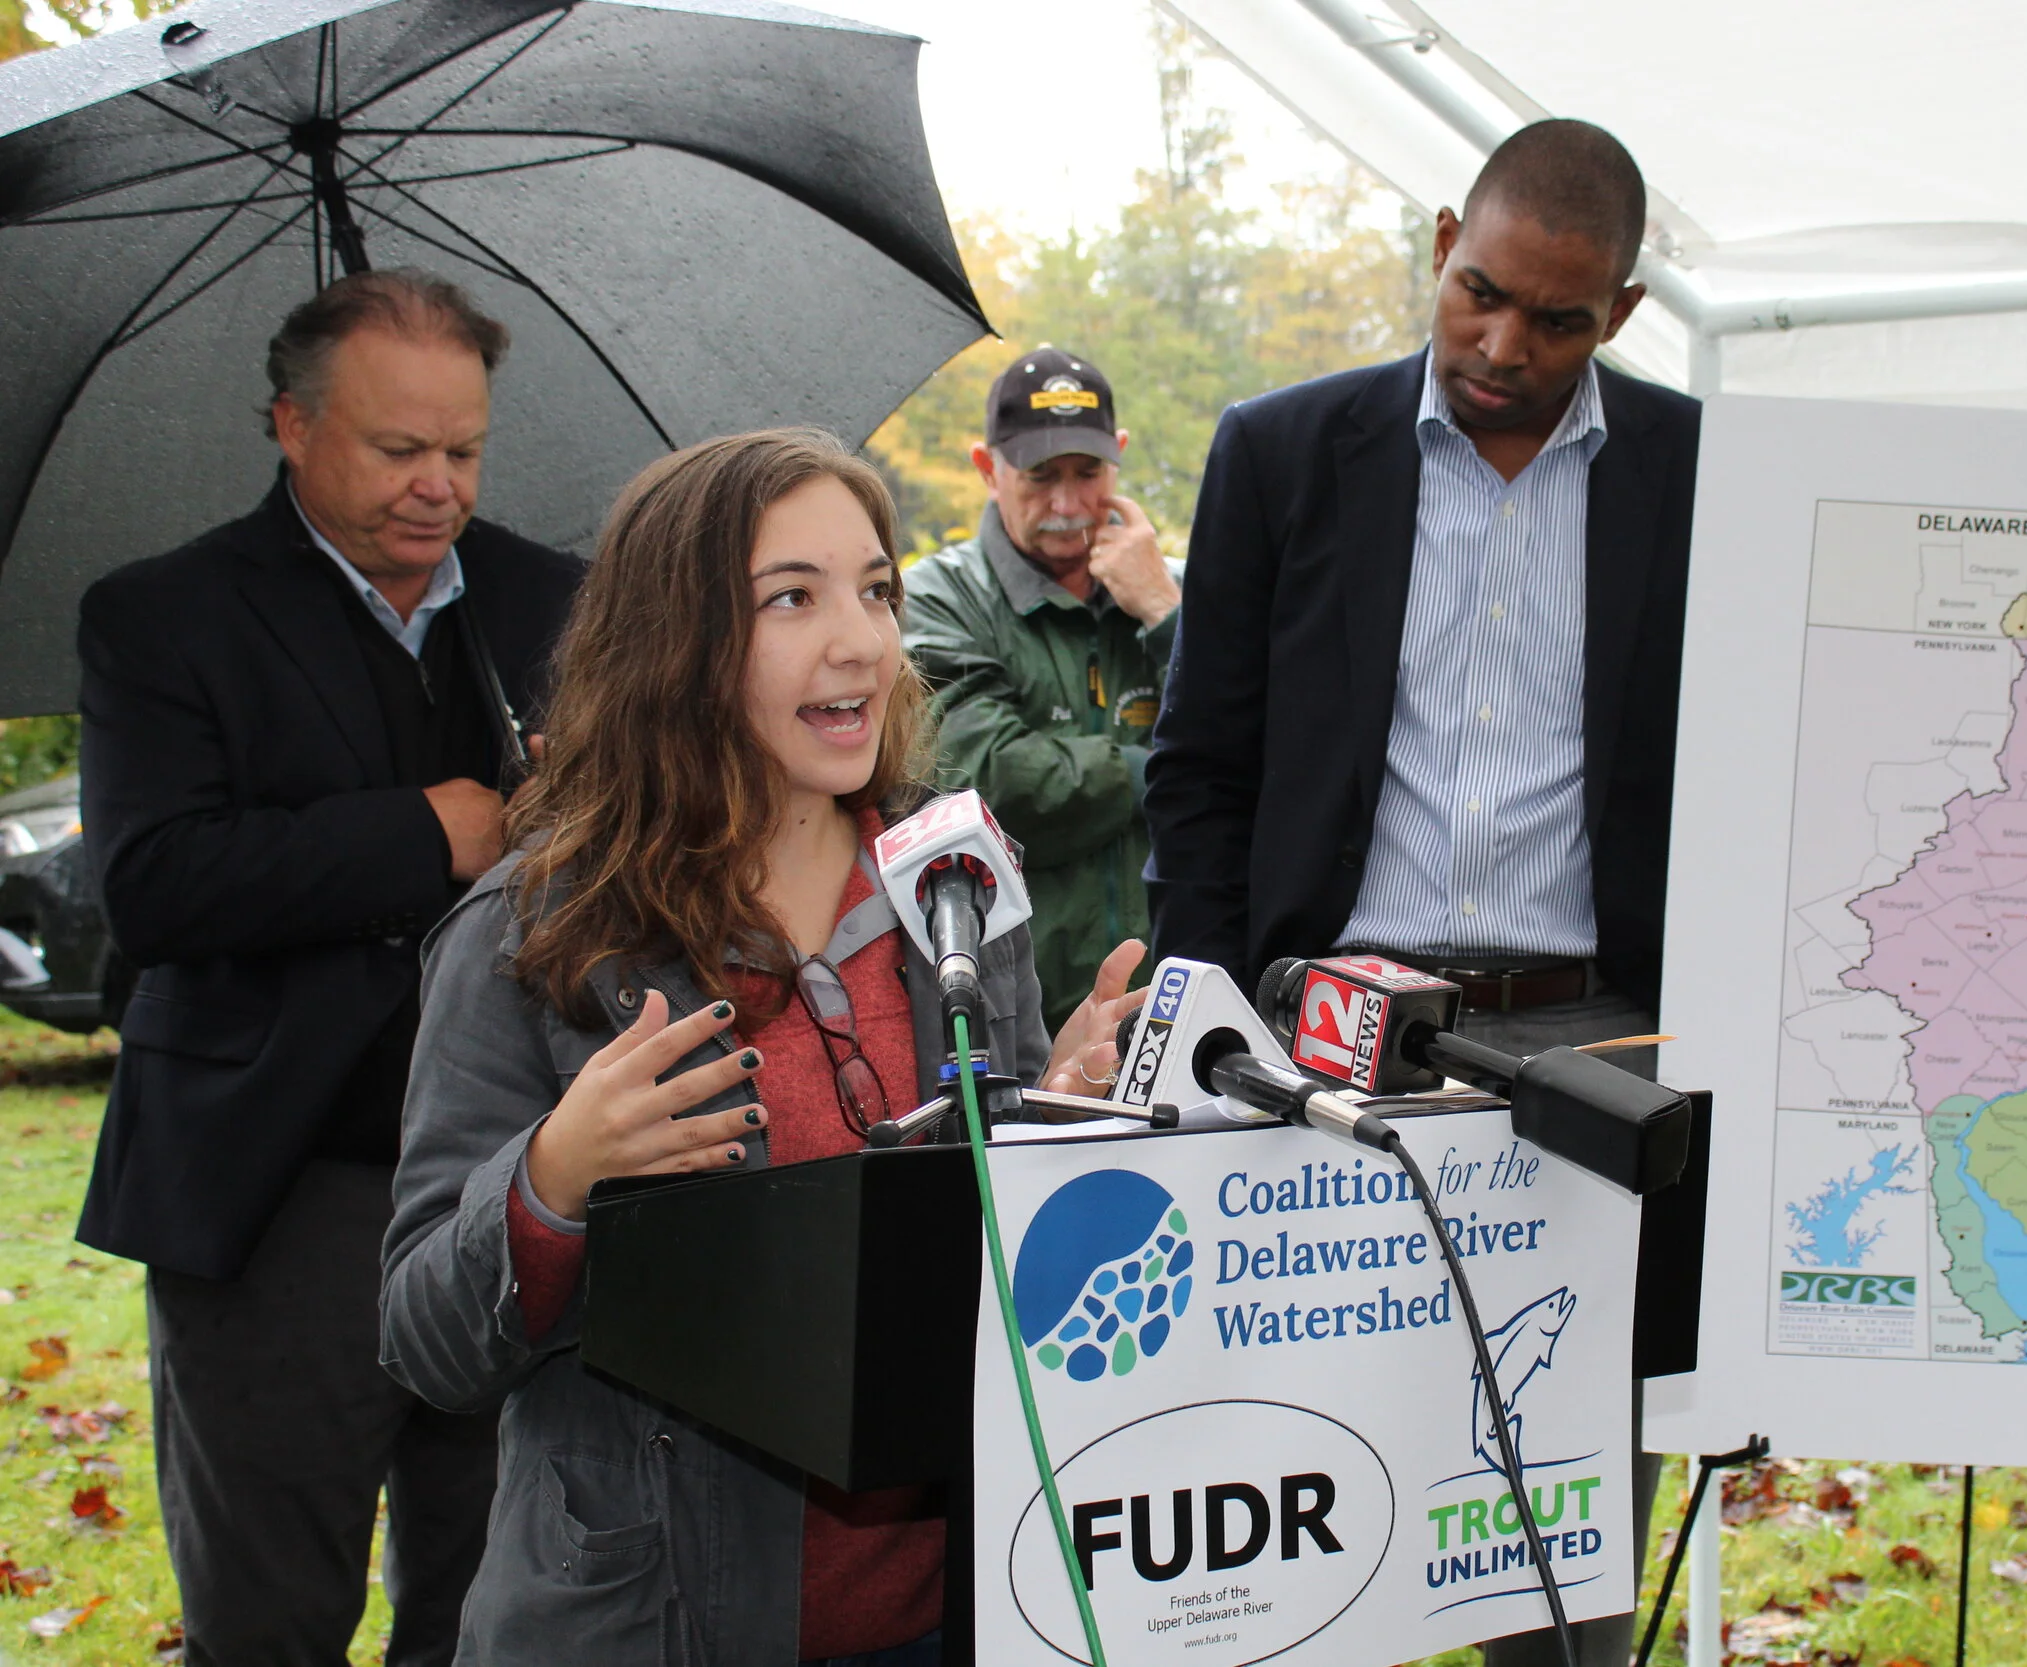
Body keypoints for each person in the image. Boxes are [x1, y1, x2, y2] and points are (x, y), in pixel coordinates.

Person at [378, 428, 1146, 1662]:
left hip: (962, 1615)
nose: (861, 638)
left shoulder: (953, 882)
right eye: (792, 596)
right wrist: (554, 1177)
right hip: (653, 1623)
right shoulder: (532, 935)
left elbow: (985, 1275)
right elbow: (427, 1343)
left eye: (877, 589)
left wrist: (1055, 1113)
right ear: (672, 641)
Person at [1141, 119, 1694, 1665]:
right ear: (1444, 239)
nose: (1503, 345)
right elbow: (1199, 768)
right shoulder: (1281, 451)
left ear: (1624, 315)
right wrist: (1206, 1021)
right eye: (1478, 292)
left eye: (1558, 319)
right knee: (1310, 1495)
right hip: (1332, 1037)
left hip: (1600, 1035)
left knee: (1561, 1513)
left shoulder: (1695, 471)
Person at [74, 269, 583, 1666]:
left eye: (465, 450)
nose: (438, 486)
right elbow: (155, 882)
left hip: (513, 1169)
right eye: (396, 448)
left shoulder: (559, 602)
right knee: (273, 1610)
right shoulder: (163, 617)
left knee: (494, 1602)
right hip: (279, 1192)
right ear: (289, 427)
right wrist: (427, 830)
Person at [905, 346, 1180, 1030]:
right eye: (1039, 476)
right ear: (985, 468)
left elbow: (1258, 751)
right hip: (1012, 1013)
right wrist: (1169, 773)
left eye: (1087, 474)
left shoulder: (1176, 586)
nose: (1066, 503)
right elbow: (987, 778)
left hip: (1178, 999)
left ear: (1117, 456)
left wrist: (1170, 620)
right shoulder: (937, 596)